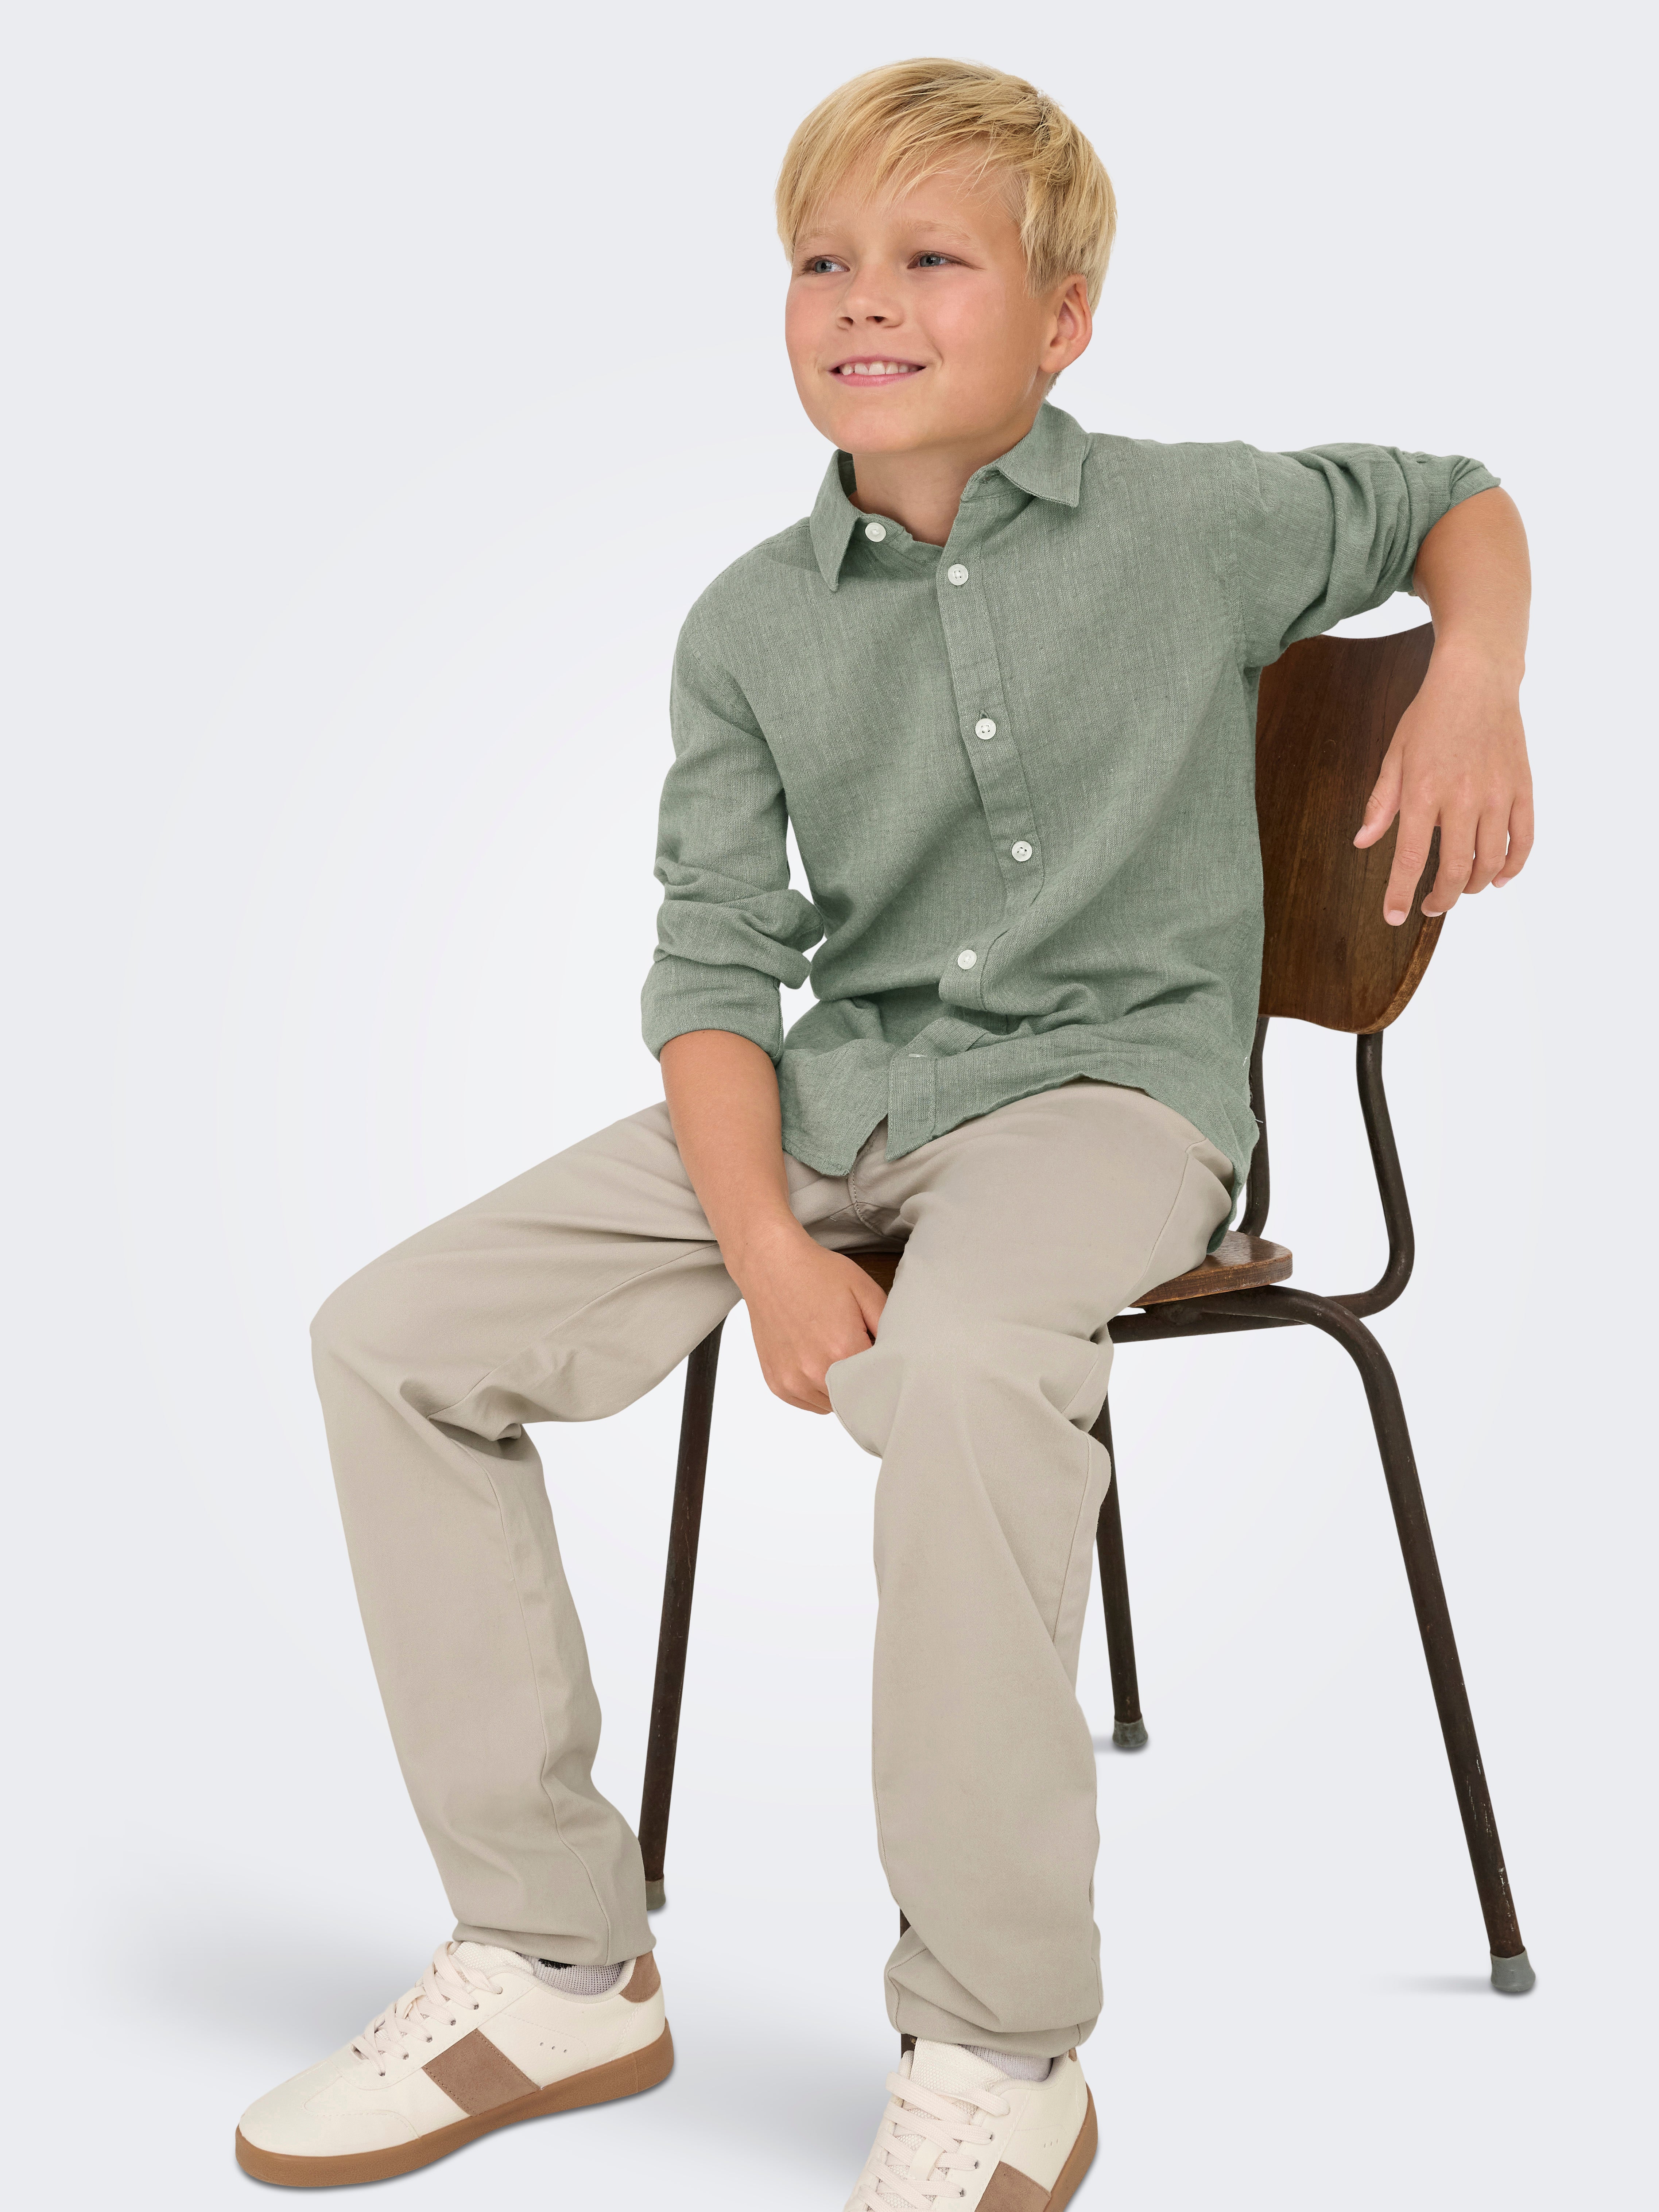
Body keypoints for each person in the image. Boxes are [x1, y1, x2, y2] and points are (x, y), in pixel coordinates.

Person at [234, 55, 1533, 2201]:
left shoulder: (1198, 522)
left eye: (932, 259)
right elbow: (713, 968)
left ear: (1062, 320)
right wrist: (761, 1242)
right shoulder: (748, 627)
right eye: (822, 260)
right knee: (391, 1338)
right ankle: (558, 1961)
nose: (862, 298)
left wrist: (1473, 674)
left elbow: (1451, 496)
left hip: (1112, 1098)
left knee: (957, 1370)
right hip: (840, 1101)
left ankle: (1002, 2042)